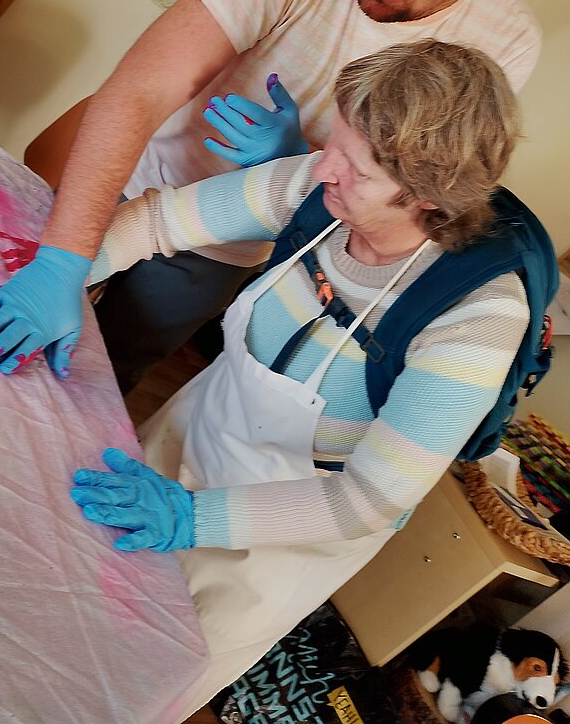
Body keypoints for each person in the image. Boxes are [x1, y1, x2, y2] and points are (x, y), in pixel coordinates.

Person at [0, 0, 549, 390]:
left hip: (226, 239)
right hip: (134, 170)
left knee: (96, 377)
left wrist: (296, 168)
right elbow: (143, 86)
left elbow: (400, 206)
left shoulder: (502, 48)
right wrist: (63, 261)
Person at [69, 39, 530, 719]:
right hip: (192, 435)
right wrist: (58, 277)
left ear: (427, 198)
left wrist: (192, 519)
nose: (323, 167)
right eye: (334, 142)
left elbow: (367, 499)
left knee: (120, 685)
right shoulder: (318, 186)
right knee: (68, 593)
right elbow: (160, 220)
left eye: (355, 167)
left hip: (285, 533)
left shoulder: (477, 317)